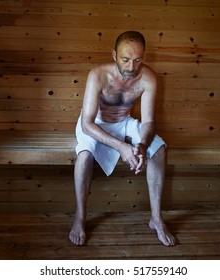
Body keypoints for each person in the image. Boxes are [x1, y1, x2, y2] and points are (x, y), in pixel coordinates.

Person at [69, 31, 176, 247]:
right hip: (95, 124)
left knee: (159, 149)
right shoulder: (97, 75)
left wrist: (142, 145)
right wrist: (122, 148)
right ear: (114, 55)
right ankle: (80, 217)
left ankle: (156, 218)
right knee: (84, 156)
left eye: (137, 60)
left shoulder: (148, 78)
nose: (131, 67)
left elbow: (148, 122)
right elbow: (86, 124)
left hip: (124, 121)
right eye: (125, 59)